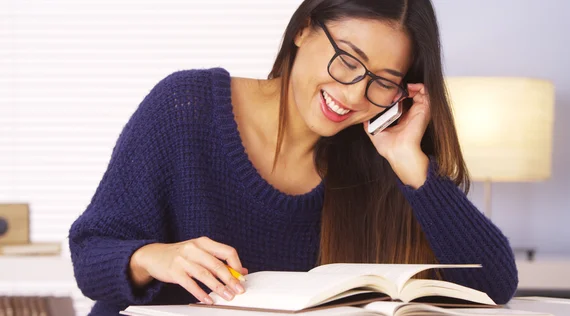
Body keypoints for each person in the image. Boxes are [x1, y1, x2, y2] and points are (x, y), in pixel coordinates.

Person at [68, 0, 518, 315]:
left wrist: (410, 162)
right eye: (347, 59)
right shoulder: (186, 107)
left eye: (383, 81)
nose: (354, 94)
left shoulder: (374, 162)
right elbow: (92, 255)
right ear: (304, 27)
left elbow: (493, 285)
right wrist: (154, 258)